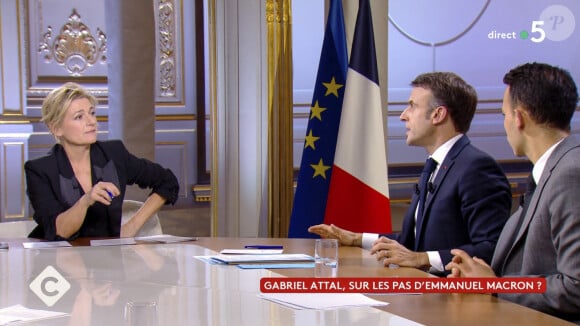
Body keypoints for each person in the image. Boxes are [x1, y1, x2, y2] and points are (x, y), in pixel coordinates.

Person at [309, 72, 511, 275]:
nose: (403, 115)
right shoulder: (435, 166)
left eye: (412, 105)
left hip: (453, 299)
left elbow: (491, 248)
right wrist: (356, 239)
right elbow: (410, 242)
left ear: (438, 115)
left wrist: (421, 259)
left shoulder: (476, 167)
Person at [445, 63, 580, 323]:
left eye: (504, 114)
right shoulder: (553, 168)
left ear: (518, 118)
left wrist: (496, 286)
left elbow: (575, 286)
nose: (505, 122)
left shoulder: (570, 173)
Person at [25, 82, 179, 240]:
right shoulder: (39, 170)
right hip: (57, 259)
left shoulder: (114, 154)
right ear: (56, 128)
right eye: (79, 117)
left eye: (91, 113)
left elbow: (167, 181)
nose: (91, 122)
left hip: (108, 258)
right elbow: (59, 231)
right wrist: (86, 200)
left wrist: (131, 226)